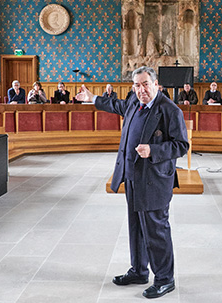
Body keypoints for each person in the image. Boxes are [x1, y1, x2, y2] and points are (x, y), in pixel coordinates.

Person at [75, 66, 189, 299]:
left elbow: (181, 145)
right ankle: (139, 270)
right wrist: (91, 98)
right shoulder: (132, 103)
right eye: (136, 85)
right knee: (136, 227)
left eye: (145, 84)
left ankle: (165, 279)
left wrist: (153, 150)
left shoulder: (169, 110)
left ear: (156, 84)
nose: (141, 89)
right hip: (132, 177)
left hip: (154, 181)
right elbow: (114, 105)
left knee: (156, 230)